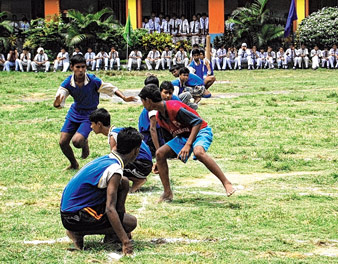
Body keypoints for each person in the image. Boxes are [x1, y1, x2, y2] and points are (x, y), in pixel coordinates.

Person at [138, 85, 235, 202]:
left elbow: (197, 122)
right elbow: (170, 139)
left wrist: (188, 145)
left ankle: (226, 182)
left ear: (148, 100)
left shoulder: (173, 107)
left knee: (198, 152)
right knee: (159, 153)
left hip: (200, 131)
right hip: (184, 136)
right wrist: (160, 161)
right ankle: (167, 193)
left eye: (142, 101)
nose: (142, 104)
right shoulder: (160, 117)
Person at [60, 127, 141, 254]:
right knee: (130, 222)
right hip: (74, 217)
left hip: (70, 211)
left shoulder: (108, 159)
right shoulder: (114, 169)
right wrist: (125, 241)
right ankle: (77, 232)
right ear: (136, 151)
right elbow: (110, 208)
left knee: (124, 182)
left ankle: (113, 234)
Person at [53, 55, 137, 170]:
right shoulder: (67, 83)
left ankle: (84, 142)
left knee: (77, 141)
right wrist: (57, 103)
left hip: (90, 114)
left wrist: (124, 97)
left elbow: (111, 88)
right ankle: (74, 164)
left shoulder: (93, 80)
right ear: (72, 67)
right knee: (63, 142)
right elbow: (58, 100)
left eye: (83, 67)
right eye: (78, 67)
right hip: (75, 112)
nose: (81, 70)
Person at [89, 109, 153, 193]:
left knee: (111, 166)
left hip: (143, 165)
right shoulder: (116, 131)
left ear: (99, 124)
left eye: (92, 123)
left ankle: (138, 180)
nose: (91, 127)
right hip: (145, 163)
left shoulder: (113, 136)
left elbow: (114, 160)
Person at [139, 78, 180, 156]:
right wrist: (158, 151)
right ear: (160, 92)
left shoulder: (172, 99)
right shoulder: (154, 106)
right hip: (149, 134)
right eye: (165, 93)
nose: (168, 96)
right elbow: (152, 129)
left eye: (170, 93)